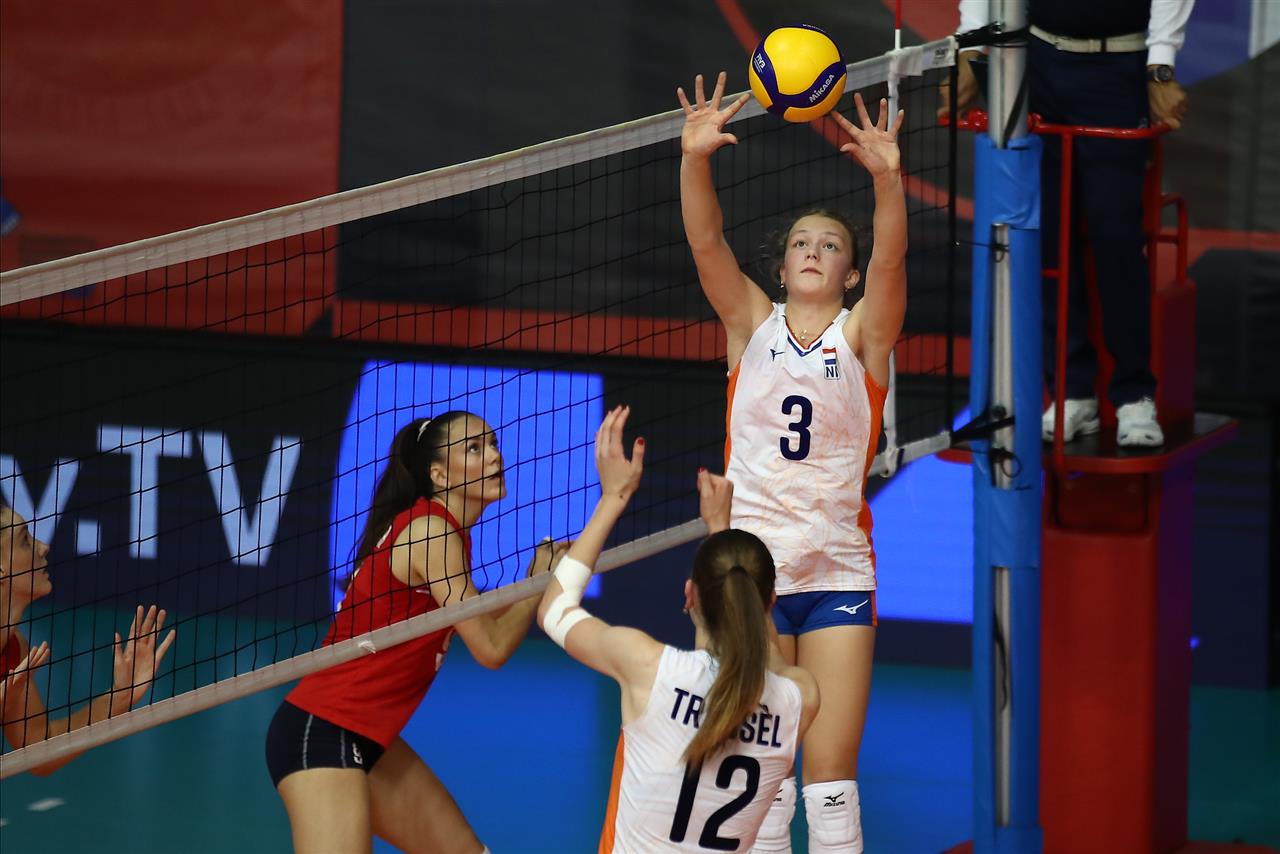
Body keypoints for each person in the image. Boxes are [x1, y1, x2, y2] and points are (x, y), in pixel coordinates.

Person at [676, 72, 907, 852]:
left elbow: (892, 266)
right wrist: (694, 159)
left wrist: (887, 180)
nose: (814, 251)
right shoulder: (751, 323)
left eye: (831, 245)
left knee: (831, 781)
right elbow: (706, 244)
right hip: (754, 570)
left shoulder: (863, 335)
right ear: (781, 270)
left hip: (839, 569)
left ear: (848, 274)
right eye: (802, 243)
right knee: (764, 774)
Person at [265, 411, 566, 854]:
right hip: (324, 729)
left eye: (493, 444)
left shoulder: (439, 531)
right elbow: (491, 647)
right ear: (439, 475)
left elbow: (474, 613)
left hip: (365, 734)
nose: (494, 457)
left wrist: (533, 585)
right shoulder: (432, 534)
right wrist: (539, 585)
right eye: (474, 448)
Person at [537, 406, 819, 852]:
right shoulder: (801, 698)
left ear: (689, 594)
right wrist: (721, 532)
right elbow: (770, 662)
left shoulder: (648, 667)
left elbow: (554, 610)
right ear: (769, 602)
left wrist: (614, 498)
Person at [941, 0, 1196, 447]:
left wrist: (1160, 67)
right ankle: (1071, 392)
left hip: (1118, 67)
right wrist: (969, 47)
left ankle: (1135, 396)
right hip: (1036, 64)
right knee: (1048, 238)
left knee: (1116, 237)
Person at [1, 503, 176, 775]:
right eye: (25, 540)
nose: (43, 547)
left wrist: (120, 696)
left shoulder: (14, 648)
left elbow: (37, 748)